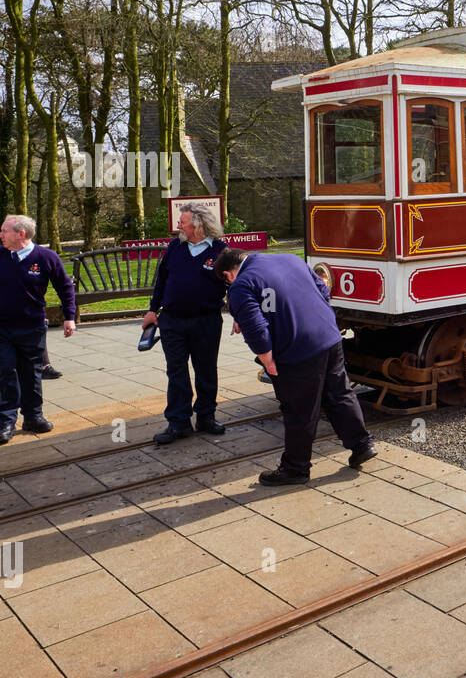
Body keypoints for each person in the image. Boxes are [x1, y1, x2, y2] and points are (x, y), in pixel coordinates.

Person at [214, 247, 375, 486]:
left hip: (297, 351)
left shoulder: (241, 285)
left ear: (228, 275)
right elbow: (322, 289)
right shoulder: (290, 259)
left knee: (298, 410)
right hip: (329, 337)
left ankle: (295, 468)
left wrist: (267, 360)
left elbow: (256, 328)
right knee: (339, 394)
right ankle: (362, 445)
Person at [0, 215, 77, 445]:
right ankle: (6, 422)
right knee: (6, 370)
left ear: (21, 234)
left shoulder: (46, 258)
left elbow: (65, 287)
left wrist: (69, 317)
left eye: (4, 231)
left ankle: (33, 417)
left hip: (31, 327)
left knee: (31, 372)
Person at [143, 202, 230, 445]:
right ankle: (178, 422)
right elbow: (161, 280)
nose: (178, 224)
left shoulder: (221, 250)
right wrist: (152, 310)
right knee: (176, 371)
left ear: (199, 224)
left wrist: (241, 317)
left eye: (183, 221)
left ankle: (206, 416)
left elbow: (234, 284)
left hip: (206, 321)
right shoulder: (175, 247)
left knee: (206, 369)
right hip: (172, 320)